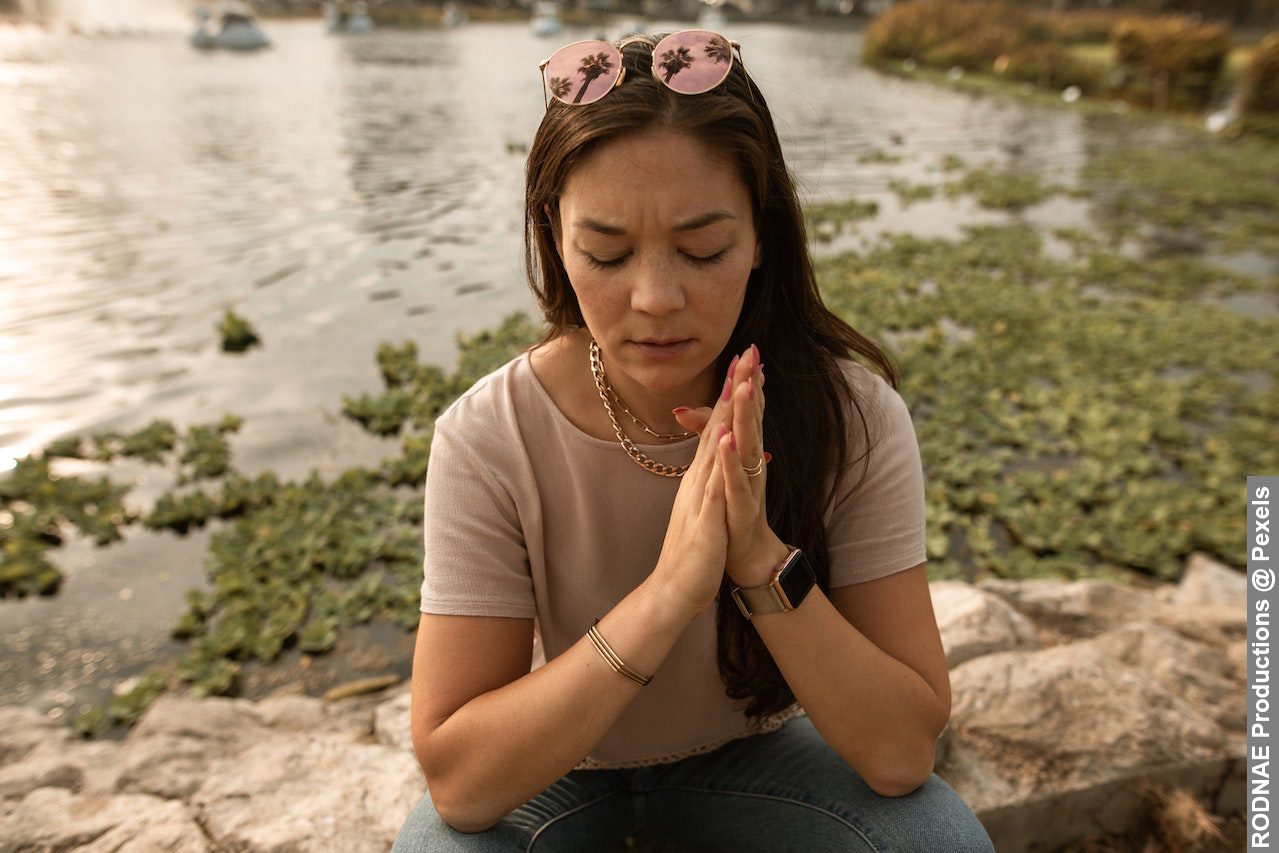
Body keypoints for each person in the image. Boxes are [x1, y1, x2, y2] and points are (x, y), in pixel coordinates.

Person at [392, 29, 995, 852]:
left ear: (759, 237)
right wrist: (669, 591)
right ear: (553, 238)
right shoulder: (488, 437)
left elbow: (898, 755)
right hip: (560, 765)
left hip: (761, 757)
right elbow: (460, 786)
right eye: (605, 252)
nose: (655, 297)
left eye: (702, 247)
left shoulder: (850, 414)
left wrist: (754, 557)